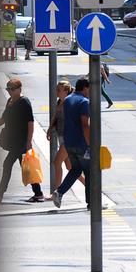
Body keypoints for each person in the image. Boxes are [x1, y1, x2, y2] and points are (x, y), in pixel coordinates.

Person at [0, 78, 43, 203]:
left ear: (20, 89)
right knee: (25, 167)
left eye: (12, 89)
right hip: (13, 140)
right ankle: (38, 193)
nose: (10, 91)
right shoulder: (10, 101)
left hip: (21, 141)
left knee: (8, 164)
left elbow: (30, 123)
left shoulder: (24, 102)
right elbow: (4, 118)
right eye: (8, 89)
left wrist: (29, 141)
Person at [53, 78, 93, 209]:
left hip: (69, 142)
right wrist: (90, 144)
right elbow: (85, 125)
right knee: (89, 171)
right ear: (85, 88)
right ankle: (91, 203)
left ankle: (59, 192)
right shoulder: (84, 102)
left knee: (75, 169)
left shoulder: (68, 99)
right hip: (82, 143)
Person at [45, 80, 74, 199]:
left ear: (66, 91)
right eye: (56, 89)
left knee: (57, 162)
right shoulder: (60, 102)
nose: (56, 92)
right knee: (72, 169)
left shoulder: (69, 102)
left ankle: (56, 193)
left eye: (58, 90)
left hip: (68, 138)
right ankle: (93, 190)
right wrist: (50, 128)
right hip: (61, 137)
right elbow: (55, 116)